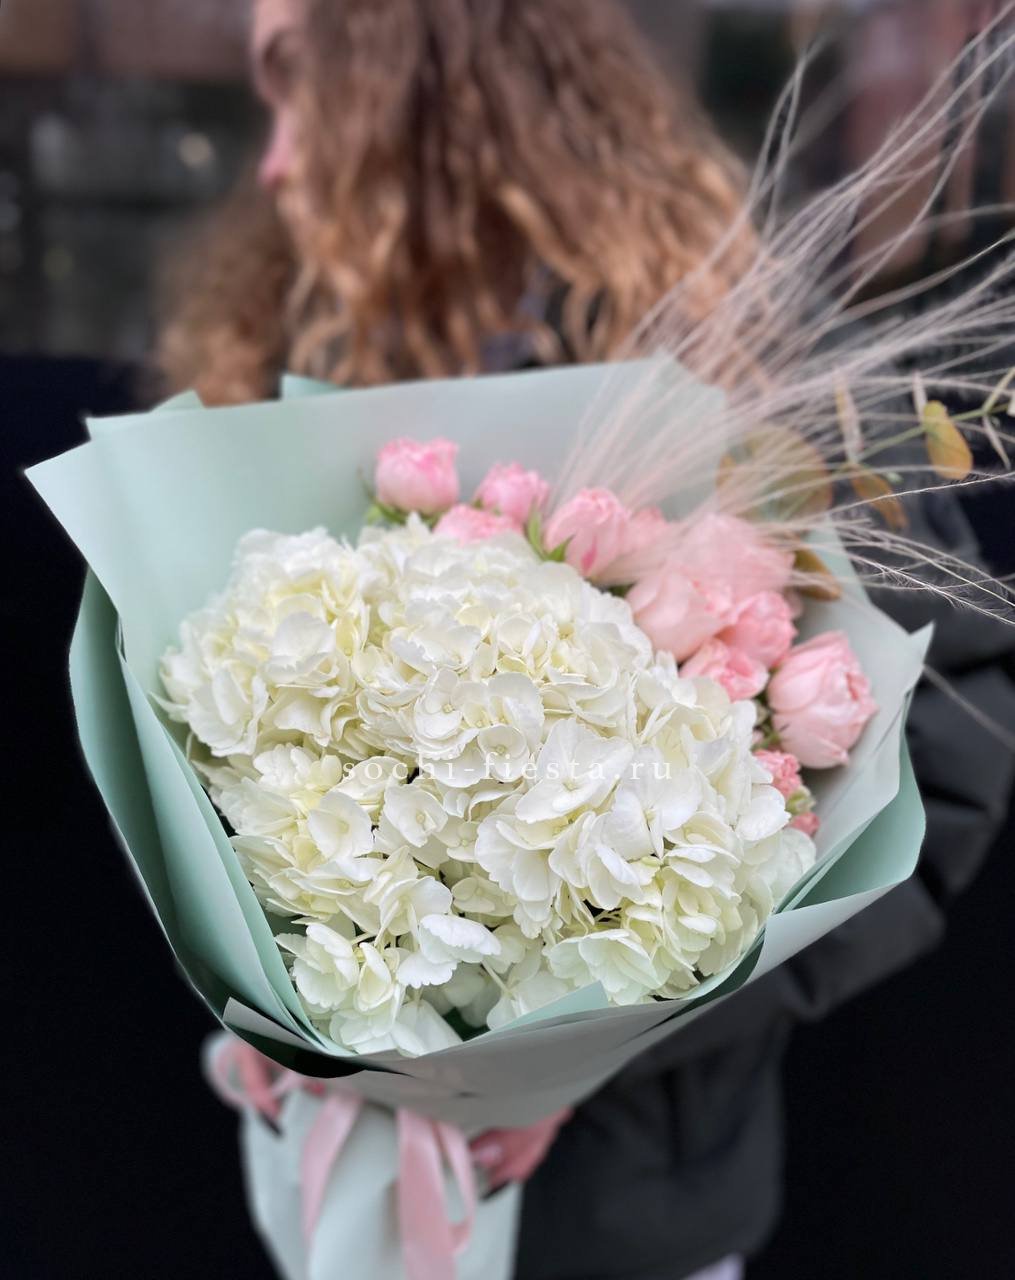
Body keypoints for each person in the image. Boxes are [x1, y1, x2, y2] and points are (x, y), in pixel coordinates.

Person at [158, 3, 1015, 1278]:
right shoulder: (295, 332)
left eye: (298, 87)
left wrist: (608, 1039)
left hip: (630, 1208)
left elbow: (947, 752)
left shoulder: (735, 359)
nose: (271, 161)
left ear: (432, 93)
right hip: (337, 1176)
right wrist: (278, 1001)